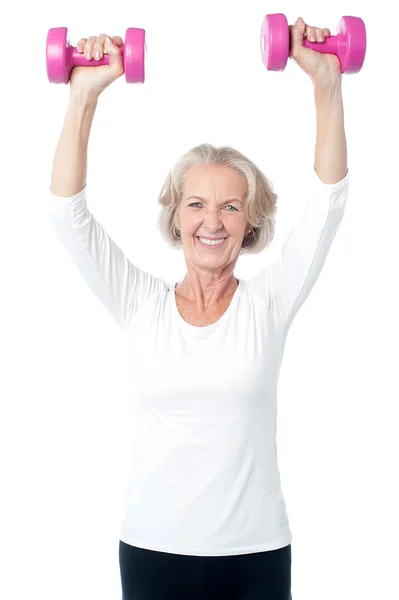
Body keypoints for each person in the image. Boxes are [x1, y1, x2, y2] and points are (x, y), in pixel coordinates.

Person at [48, 15, 349, 600]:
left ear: (252, 221)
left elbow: (328, 203)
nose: (213, 222)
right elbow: (66, 215)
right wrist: (84, 95)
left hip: (256, 551)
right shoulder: (138, 302)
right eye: (196, 204)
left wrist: (327, 85)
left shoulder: (270, 301)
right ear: (176, 216)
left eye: (232, 208)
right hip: (153, 549)